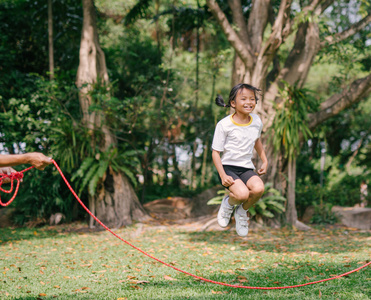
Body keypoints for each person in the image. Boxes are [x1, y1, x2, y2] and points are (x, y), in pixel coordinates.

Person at [212, 83, 268, 237]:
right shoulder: (224, 124)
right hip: (227, 167)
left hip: (246, 168)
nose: (249, 102)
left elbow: (256, 141)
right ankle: (227, 204)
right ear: (233, 103)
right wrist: (223, 175)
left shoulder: (256, 121)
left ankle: (242, 212)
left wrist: (265, 161)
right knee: (242, 194)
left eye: (252, 99)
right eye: (243, 99)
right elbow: (215, 152)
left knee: (258, 189)